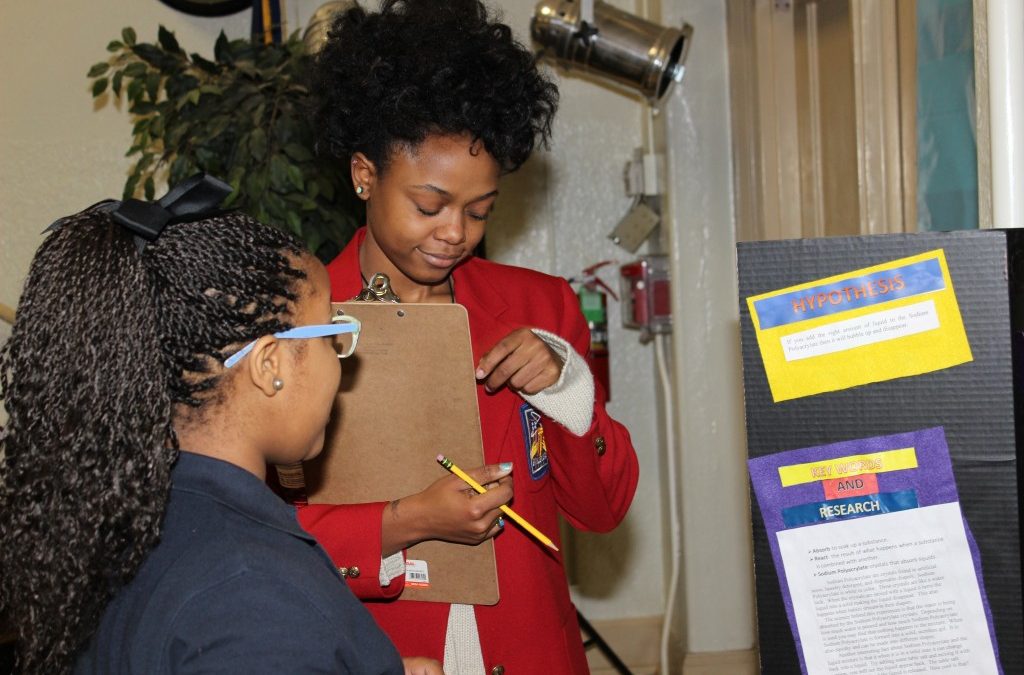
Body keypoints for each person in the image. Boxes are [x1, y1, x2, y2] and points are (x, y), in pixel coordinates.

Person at [303, 2, 641, 673]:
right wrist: (409, 519)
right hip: (378, 653)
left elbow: (601, 511)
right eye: (429, 206)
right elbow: (271, 535)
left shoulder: (538, 307)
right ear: (364, 173)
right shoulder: (303, 318)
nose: (455, 231)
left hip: (531, 648)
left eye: (479, 210)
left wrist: (568, 388)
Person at [0, 177, 438, 674]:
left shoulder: (123, 516)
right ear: (269, 363)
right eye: (332, 332)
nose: (339, 359)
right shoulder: (253, 593)